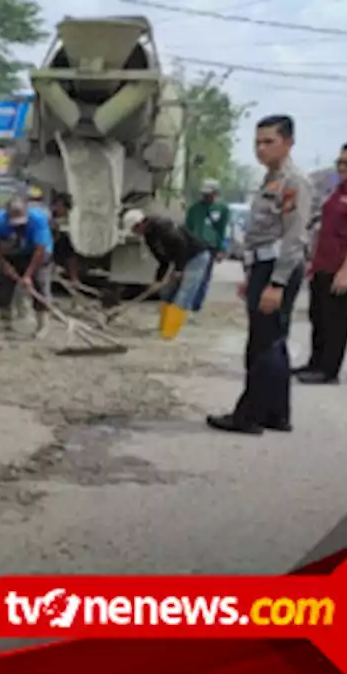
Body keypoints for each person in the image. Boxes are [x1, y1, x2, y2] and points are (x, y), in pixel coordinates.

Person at [207, 115, 309, 436]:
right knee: (273, 342)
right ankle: (276, 414)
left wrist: (276, 283)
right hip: (263, 267)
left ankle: (247, 415)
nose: (261, 148)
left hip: (278, 269)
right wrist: (252, 275)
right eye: (257, 142)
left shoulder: (294, 182)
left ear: (288, 143)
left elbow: (294, 238)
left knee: (262, 345)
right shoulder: (270, 180)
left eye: (269, 142)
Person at [295, 142, 347, 385]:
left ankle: (328, 370)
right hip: (322, 265)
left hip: (341, 267)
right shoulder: (339, 191)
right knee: (318, 315)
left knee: (335, 319)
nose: (342, 167)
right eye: (339, 162)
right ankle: (315, 362)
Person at [123, 209, 212, 340]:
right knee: (166, 293)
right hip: (180, 258)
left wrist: (179, 270)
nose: (135, 233)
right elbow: (163, 260)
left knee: (184, 294)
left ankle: (169, 333)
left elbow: (181, 245)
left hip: (195, 257)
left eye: (134, 230)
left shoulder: (163, 226)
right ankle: (163, 328)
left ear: (140, 224)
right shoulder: (149, 238)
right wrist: (157, 280)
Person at [0, 196, 54, 335]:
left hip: (38, 253)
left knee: (39, 284)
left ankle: (42, 325)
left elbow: (40, 250)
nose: (18, 226)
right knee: (2, 287)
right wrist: (4, 264)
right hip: (13, 251)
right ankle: (5, 322)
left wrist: (28, 275)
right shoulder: (0, 220)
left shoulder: (38, 220)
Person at [185, 179, 230, 313]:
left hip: (211, 245)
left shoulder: (222, 209)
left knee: (204, 276)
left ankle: (196, 304)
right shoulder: (194, 208)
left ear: (215, 193)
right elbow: (188, 227)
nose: (206, 196)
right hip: (194, 245)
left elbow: (222, 230)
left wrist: (222, 248)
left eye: (209, 194)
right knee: (192, 275)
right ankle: (188, 302)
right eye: (204, 194)